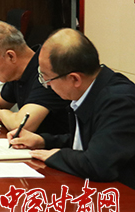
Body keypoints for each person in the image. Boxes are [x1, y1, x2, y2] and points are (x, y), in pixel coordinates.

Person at [8, 29, 135, 188]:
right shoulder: (90, 90)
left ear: (74, 79)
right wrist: (43, 141)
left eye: (48, 78)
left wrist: (57, 155)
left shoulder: (119, 101)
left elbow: (98, 164)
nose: (47, 85)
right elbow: (87, 141)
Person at [0, 21, 70, 134]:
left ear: (10, 56)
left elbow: (22, 124)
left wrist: (1, 114)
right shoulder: (16, 72)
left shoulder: (46, 72)